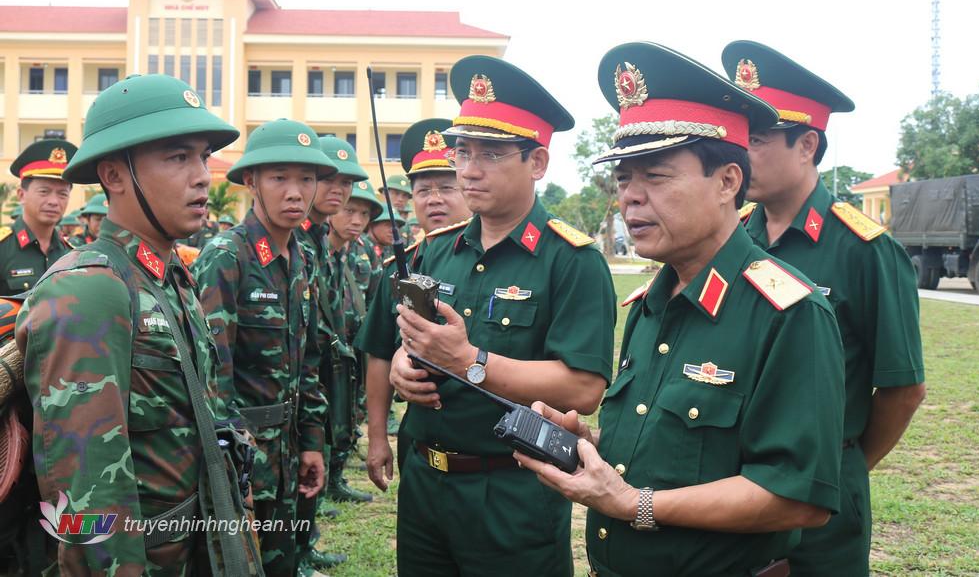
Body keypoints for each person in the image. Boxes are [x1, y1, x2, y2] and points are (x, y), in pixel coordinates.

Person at [516, 42, 847, 577]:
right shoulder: (652, 302)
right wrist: (592, 446)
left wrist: (634, 504)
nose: (631, 198)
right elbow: (677, 450)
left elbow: (798, 496)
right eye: (624, 178)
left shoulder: (787, 312)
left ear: (727, 182)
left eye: (657, 175)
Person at [358, 55, 617, 576]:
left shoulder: (571, 260)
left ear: (537, 163)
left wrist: (470, 361)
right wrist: (409, 369)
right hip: (426, 483)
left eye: (492, 154)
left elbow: (584, 387)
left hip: (513, 494)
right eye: (463, 151)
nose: (468, 169)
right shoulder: (436, 250)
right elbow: (400, 345)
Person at [16, 74, 263, 574]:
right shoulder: (90, 289)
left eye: (202, 155)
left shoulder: (168, 275)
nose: (202, 175)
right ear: (114, 175)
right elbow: (88, 495)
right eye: (177, 157)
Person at [721, 40, 926, 576]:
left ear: (807, 144)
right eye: (737, 140)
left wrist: (845, 464)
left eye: (757, 140)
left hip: (822, 496)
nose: (740, 155)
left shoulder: (864, 250)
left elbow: (903, 389)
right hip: (732, 478)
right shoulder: (735, 240)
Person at [192, 118, 334, 577]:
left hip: (289, 449)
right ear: (251, 181)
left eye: (306, 179)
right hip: (246, 456)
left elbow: (309, 359)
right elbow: (213, 376)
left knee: (283, 563)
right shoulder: (227, 257)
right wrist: (234, 469)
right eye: (279, 178)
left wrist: (312, 442)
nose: (295, 192)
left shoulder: (305, 257)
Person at [365, 117, 472, 481]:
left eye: (447, 187)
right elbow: (378, 353)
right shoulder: (400, 265)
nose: (435, 199)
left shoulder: (491, 259)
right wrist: (378, 438)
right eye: (423, 190)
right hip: (421, 450)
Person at [292, 135, 363, 573]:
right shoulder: (297, 240)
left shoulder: (321, 242)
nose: (339, 190)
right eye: (329, 180)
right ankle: (297, 552)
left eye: (347, 183)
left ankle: (305, 545)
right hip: (292, 378)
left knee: (312, 462)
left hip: (318, 374)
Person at [326, 180, 384, 505]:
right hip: (325, 352)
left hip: (355, 350)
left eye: (364, 214)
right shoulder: (314, 247)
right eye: (351, 210)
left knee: (349, 414)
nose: (358, 220)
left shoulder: (363, 251)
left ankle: (336, 476)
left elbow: (375, 299)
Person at [0, 139, 77, 294]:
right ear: (21, 195)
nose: (54, 202)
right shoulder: (3, 248)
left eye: (62, 194)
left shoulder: (71, 253)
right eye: (44, 192)